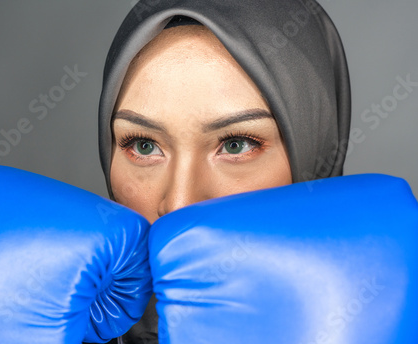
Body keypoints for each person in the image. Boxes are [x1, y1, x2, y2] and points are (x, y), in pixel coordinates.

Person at [96, 0, 350, 342]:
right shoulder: (63, 319)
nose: (179, 205)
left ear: (313, 148)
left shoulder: (382, 314)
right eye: (144, 145)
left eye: (236, 144)